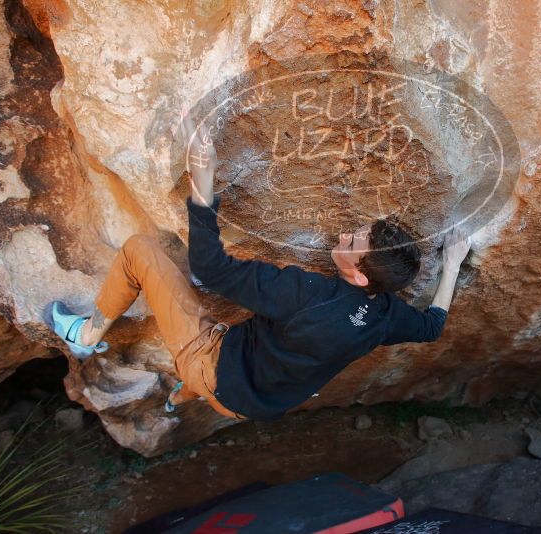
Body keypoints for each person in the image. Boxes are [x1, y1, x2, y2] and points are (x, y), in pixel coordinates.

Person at [46, 110, 471, 421]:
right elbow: (433, 326)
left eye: (353, 241)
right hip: (259, 405)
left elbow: (211, 267)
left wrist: (204, 177)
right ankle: (181, 394)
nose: (344, 235)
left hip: (219, 371)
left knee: (140, 249)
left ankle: (85, 335)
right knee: (217, 348)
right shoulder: (385, 315)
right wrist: (452, 263)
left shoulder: (307, 294)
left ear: (360, 274)